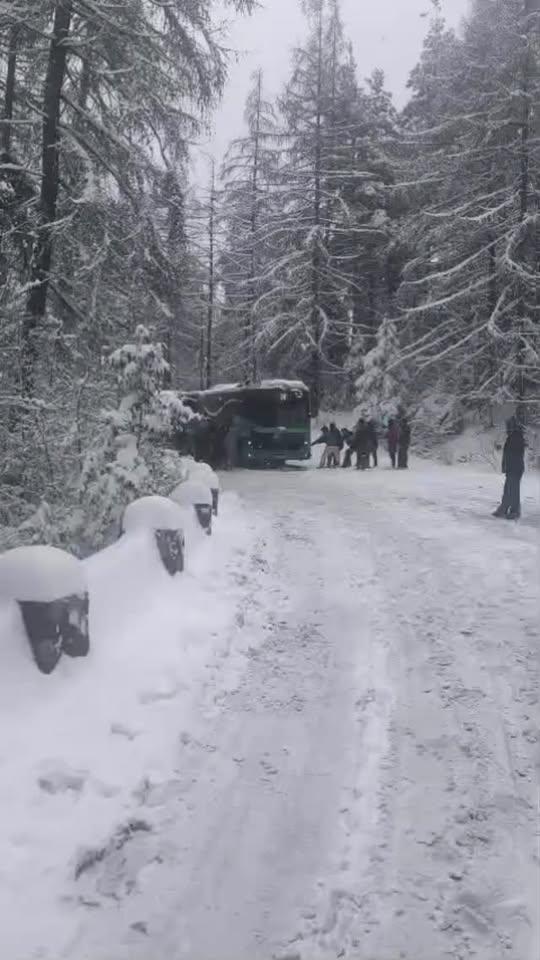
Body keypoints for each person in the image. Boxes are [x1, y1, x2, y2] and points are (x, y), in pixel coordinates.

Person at [493, 416, 525, 520]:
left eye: (509, 426)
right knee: (508, 489)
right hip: (512, 468)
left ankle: (514, 511)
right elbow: (507, 454)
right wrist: (505, 466)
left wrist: (508, 467)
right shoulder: (512, 437)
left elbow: (514, 455)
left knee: (513, 490)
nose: (507, 428)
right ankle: (504, 508)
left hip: (515, 469)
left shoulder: (516, 437)